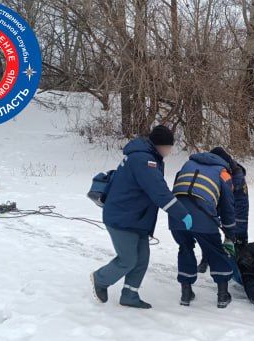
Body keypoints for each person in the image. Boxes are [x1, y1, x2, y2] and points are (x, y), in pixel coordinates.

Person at [92, 125, 193, 309]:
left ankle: (130, 295)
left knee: (142, 258)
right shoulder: (144, 160)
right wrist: (182, 214)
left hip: (136, 218)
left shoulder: (150, 157)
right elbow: (159, 192)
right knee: (128, 260)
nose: (170, 151)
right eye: (169, 147)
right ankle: (100, 279)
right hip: (122, 218)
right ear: (161, 145)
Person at [169, 149, 239, 307]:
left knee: (185, 248)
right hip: (203, 217)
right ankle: (222, 295)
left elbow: (178, 189)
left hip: (177, 215)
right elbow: (228, 207)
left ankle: (186, 293)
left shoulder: (187, 165)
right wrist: (230, 232)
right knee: (215, 252)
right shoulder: (223, 173)